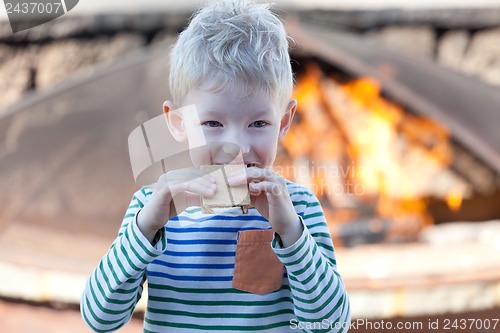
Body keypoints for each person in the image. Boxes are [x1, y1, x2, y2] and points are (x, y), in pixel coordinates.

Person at [81, 0, 351, 332]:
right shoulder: (151, 208)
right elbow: (100, 319)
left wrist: (291, 235)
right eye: (212, 123)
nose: (235, 146)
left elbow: (331, 325)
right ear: (178, 122)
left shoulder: (298, 209)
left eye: (258, 124)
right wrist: (145, 228)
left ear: (283, 122)